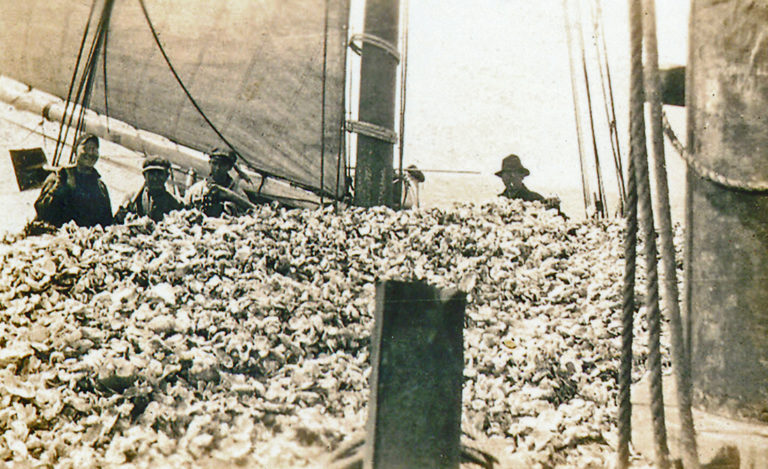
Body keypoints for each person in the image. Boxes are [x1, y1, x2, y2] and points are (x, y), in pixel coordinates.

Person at [33, 133, 113, 228]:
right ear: (76, 151)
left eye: (94, 149)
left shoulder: (100, 186)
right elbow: (42, 210)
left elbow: (107, 221)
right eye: (86, 148)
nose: (91, 153)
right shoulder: (61, 176)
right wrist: (61, 187)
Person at [185, 147, 254, 217]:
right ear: (209, 163)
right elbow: (184, 210)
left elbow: (250, 214)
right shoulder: (197, 190)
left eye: (223, 165)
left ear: (229, 167)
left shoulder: (238, 193)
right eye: (215, 163)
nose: (218, 168)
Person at [114, 156, 183, 223]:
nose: (155, 178)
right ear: (144, 175)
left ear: (167, 176)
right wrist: (122, 215)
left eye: (160, 174)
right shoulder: (132, 199)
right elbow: (116, 223)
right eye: (151, 174)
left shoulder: (174, 203)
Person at [495, 153, 564, 215]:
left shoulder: (535, 199)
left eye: (515, 173)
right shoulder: (497, 202)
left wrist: (553, 208)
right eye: (507, 173)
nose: (511, 177)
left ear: (522, 176)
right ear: (502, 177)